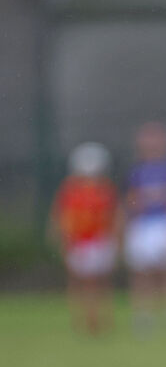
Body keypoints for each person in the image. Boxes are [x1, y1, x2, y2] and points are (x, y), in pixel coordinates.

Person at [123, 121, 166, 333]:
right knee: (142, 273)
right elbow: (130, 200)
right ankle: (144, 316)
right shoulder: (136, 172)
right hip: (144, 224)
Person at [50, 142, 119, 335]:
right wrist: (62, 240)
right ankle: (82, 320)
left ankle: (99, 320)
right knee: (80, 282)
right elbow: (61, 216)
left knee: (98, 282)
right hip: (79, 243)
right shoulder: (70, 190)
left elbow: (113, 216)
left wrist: (113, 240)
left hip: (98, 241)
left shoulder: (105, 190)